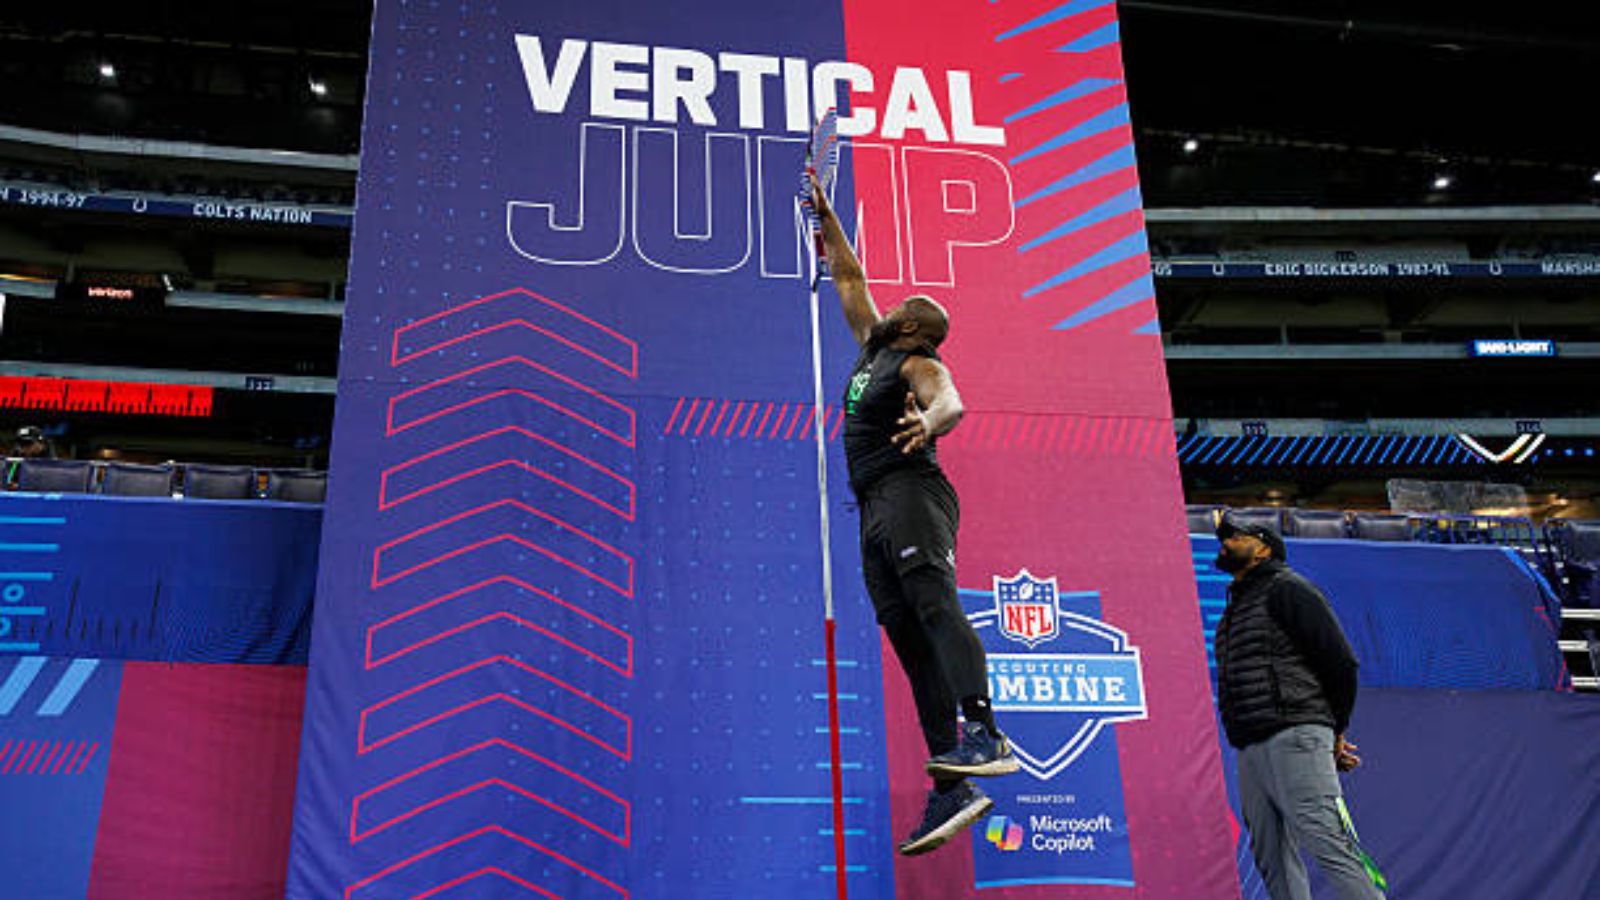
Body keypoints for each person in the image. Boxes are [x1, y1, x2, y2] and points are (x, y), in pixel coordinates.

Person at [810, 176, 1016, 857]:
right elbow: (847, 276)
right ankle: (952, 781)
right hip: (872, 506)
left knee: (933, 607)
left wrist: (931, 422)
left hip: (911, 491)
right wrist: (828, 214)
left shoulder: (917, 359)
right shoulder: (874, 347)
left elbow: (950, 399)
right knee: (906, 636)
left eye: (904, 306)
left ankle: (987, 732)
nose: (890, 302)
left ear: (914, 328)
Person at [1213, 516, 1387, 899]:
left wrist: (1333, 732)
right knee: (1271, 856)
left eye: (1236, 536)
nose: (1226, 543)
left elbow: (1341, 662)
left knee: (1328, 840)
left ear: (1264, 548)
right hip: (1251, 745)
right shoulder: (1234, 610)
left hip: (1295, 734)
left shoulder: (1288, 589)